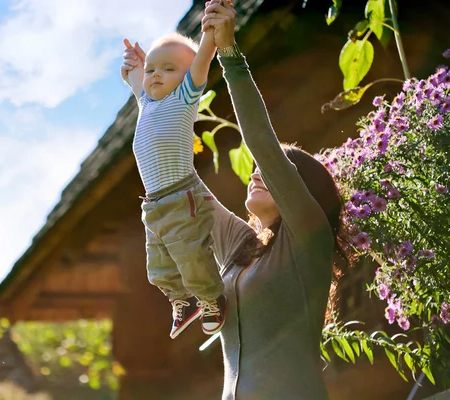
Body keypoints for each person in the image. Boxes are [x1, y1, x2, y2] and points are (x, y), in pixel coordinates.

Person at [122, 0, 349, 398]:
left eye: (280, 170)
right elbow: (179, 186)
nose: (258, 172)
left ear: (304, 194)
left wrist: (227, 53)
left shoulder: (308, 240)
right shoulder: (242, 248)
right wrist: (146, 83)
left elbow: (261, 142)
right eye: (258, 170)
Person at [120, 25, 227, 340]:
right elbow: (135, 76)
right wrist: (134, 63)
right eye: (152, 69)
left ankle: (211, 299)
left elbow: (203, 60)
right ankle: (182, 301)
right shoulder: (147, 103)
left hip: (182, 196)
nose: (155, 75)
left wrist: (210, 32)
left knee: (188, 254)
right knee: (159, 265)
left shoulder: (184, 98)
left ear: (186, 77)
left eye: (169, 69)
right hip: (152, 204)